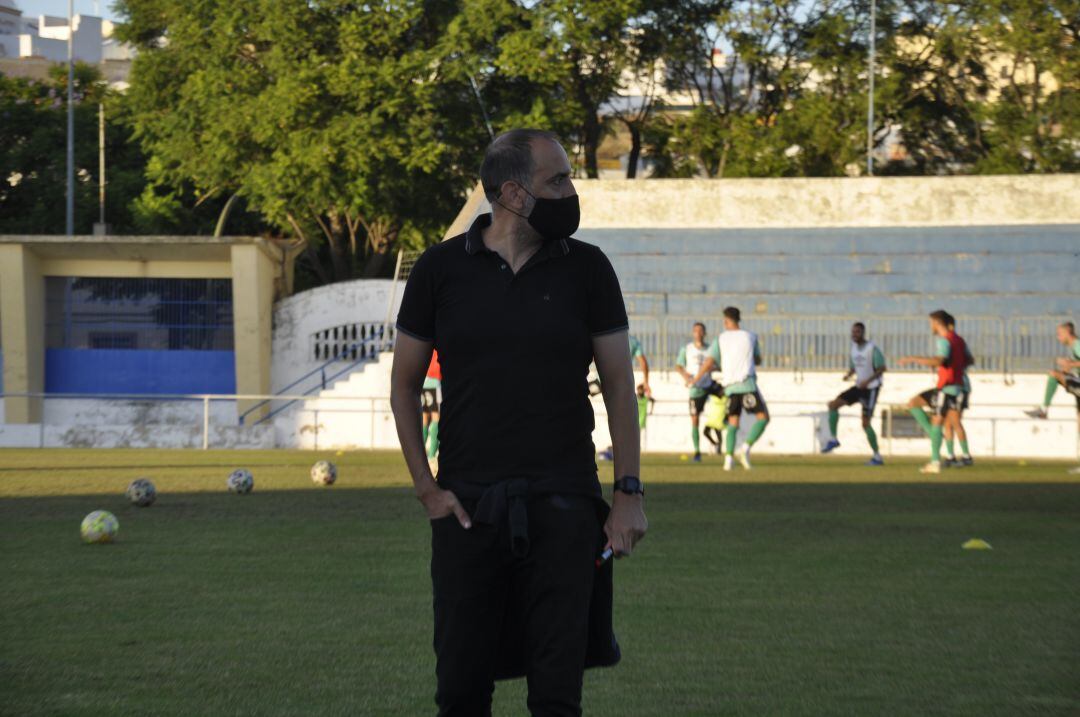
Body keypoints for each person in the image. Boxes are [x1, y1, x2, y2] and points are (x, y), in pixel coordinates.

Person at [389, 129, 647, 717]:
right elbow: (404, 385)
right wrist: (426, 489)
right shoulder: (438, 269)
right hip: (467, 506)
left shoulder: (589, 269)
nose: (571, 191)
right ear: (512, 193)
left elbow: (618, 386)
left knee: (557, 697)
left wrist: (628, 493)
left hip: (565, 505)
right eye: (557, 180)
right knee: (459, 693)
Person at [691, 306, 769, 472]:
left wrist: (696, 378)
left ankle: (728, 460)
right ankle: (745, 449)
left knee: (733, 422)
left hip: (730, 388)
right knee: (763, 418)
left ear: (726, 320)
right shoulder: (750, 336)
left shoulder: (721, 339)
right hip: (747, 385)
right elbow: (758, 359)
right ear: (738, 319)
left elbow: (709, 362)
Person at [898, 310, 970, 475]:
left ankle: (935, 459)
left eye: (931, 323)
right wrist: (953, 366)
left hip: (946, 386)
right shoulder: (959, 340)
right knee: (914, 403)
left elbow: (939, 360)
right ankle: (936, 442)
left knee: (937, 421)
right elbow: (968, 360)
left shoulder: (944, 341)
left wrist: (914, 359)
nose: (931, 326)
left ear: (937, 323)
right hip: (957, 386)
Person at [822, 321, 886, 465]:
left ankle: (877, 457)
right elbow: (855, 367)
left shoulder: (872, 348)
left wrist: (868, 381)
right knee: (833, 405)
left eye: (857, 332)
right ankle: (833, 439)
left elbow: (882, 368)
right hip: (858, 387)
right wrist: (849, 374)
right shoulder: (853, 349)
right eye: (853, 332)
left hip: (871, 389)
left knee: (865, 423)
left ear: (863, 333)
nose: (854, 334)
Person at [1025, 321, 1080, 474]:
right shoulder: (1073, 347)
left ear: (1068, 333)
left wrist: (1071, 364)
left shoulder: (1077, 345)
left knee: (1053, 375)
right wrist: (1070, 366)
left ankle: (1044, 409)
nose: (1058, 338)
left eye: (1059, 334)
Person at [674, 322, 724, 462]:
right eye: (695, 330)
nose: (698, 333)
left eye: (701, 330)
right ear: (693, 333)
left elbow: (719, 366)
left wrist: (712, 368)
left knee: (728, 397)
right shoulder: (687, 349)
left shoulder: (711, 349)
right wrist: (686, 376)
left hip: (709, 384)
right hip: (695, 389)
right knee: (695, 419)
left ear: (704, 333)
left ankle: (722, 444)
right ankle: (697, 452)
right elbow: (678, 366)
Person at [942, 315, 975, 467]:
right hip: (951, 386)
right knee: (947, 423)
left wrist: (958, 367)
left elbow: (970, 359)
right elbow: (970, 359)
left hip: (960, 386)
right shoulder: (954, 341)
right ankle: (950, 456)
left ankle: (967, 456)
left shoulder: (956, 341)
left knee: (955, 421)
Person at [422, 350, 442, 460]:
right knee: (436, 418)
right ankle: (431, 455)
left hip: (425, 382)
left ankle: (418, 454)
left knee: (425, 419)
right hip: (435, 382)